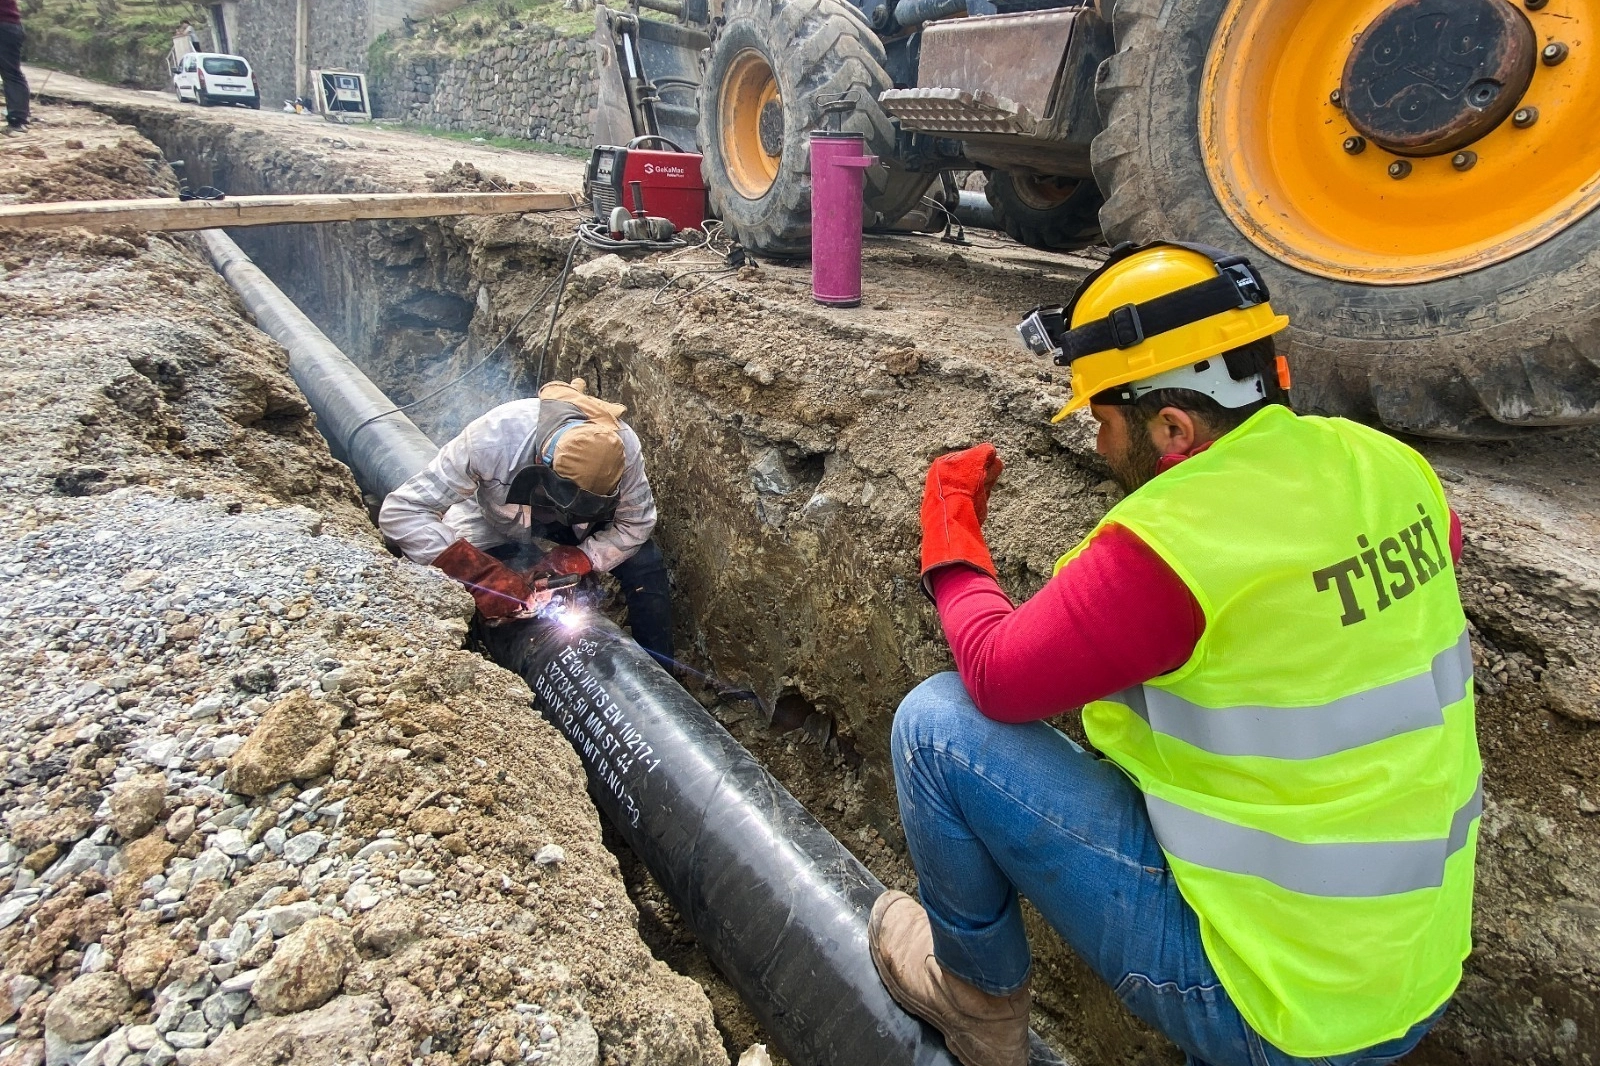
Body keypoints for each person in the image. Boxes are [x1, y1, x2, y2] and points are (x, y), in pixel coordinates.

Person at [869, 242, 1480, 1066]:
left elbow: (996, 675)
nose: (1094, 442)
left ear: (1171, 427)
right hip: (1410, 972)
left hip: (1269, 1003)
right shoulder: (1391, 467)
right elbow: (1439, 547)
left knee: (934, 728)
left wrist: (950, 531)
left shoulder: (1177, 543)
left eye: (1103, 420)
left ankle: (975, 1005)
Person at [379, 378, 674, 660]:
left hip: (579, 525)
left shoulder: (623, 448)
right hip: (494, 518)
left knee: (644, 562)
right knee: (509, 598)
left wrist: (580, 559)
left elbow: (637, 523)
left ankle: (663, 675)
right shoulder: (493, 438)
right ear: (540, 467)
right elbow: (402, 512)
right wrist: (478, 574)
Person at [0, 0, 28, 134]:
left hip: (4, 25)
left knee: (11, 74)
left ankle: (17, 120)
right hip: (10, 25)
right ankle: (17, 120)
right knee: (12, 73)